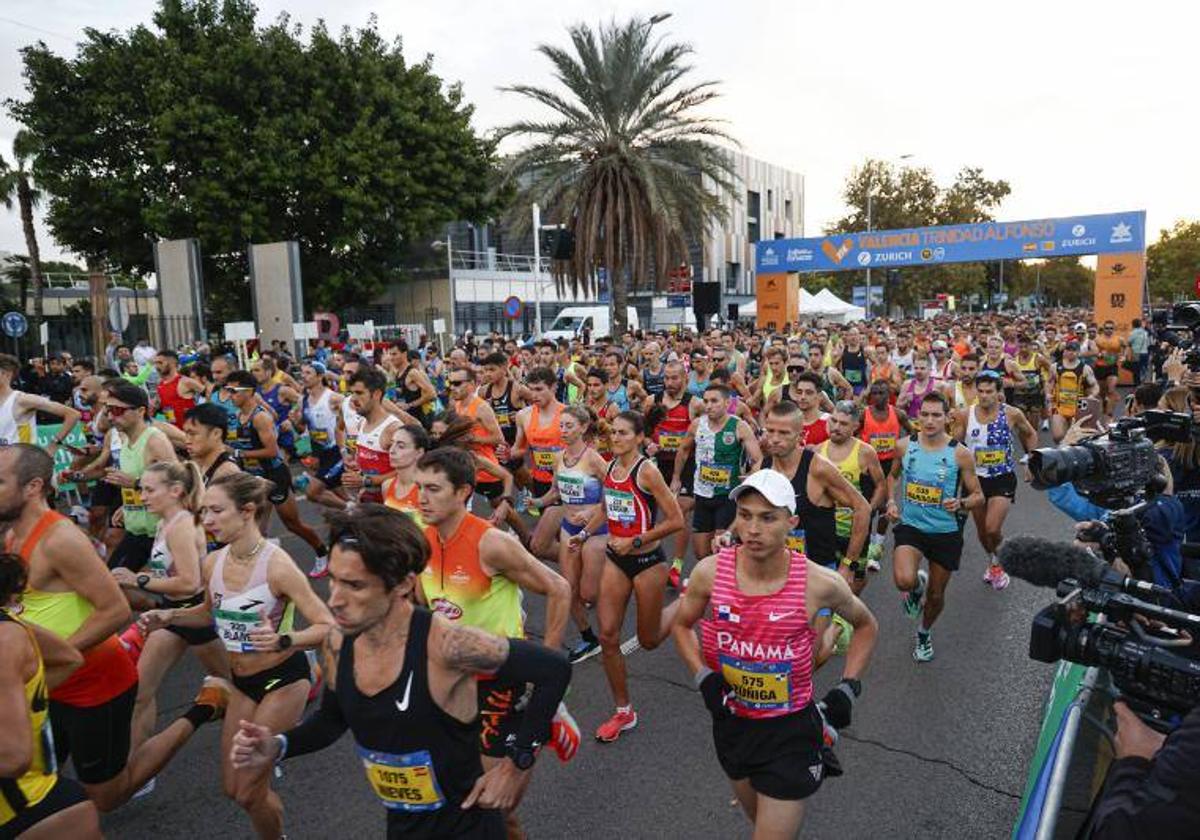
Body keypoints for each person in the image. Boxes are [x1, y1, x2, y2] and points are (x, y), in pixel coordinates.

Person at [230, 505, 573, 840]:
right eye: (333, 581)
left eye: (355, 585)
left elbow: (553, 669)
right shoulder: (337, 642)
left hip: (468, 828)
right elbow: (332, 719)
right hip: (403, 827)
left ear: (402, 585)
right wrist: (278, 745)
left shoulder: (446, 644)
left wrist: (516, 764)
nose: (334, 600)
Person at [1, 444, 228, 812]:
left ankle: (205, 707)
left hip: (95, 683)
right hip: (48, 683)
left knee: (107, 797)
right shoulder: (11, 536)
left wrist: (58, 655)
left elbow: (114, 609)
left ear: (32, 487)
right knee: (30, 772)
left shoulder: (60, 539)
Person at [670, 469, 878, 839]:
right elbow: (682, 625)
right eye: (745, 515)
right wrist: (703, 677)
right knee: (760, 823)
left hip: (790, 730)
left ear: (791, 522)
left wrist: (849, 687)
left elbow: (866, 626)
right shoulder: (709, 573)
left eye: (768, 518)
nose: (753, 529)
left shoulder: (819, 583)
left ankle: (821, 728)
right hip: (732, 723)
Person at [140, 471, 333, 838]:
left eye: (216, 511)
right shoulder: (214, 563)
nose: (207, 521)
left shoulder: (278, 566)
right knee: (235, 789)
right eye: (204, 512)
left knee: (247, 792)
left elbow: (326, 626)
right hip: (242, 682)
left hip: (283, 680)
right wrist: (171, 615)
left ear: (246, 512)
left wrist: (284, 640)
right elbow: (208, 614)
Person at [414, 447, 574, 839]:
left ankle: (547, 715)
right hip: (450, 684)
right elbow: (427, 608)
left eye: (433, 489)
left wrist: (544, 668)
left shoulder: (490, 543)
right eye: (419, 488)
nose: (421, 497)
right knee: (452, 797)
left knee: (494, 809)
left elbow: (558, 587)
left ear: (463, 492)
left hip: (500, 683)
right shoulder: (421, 540)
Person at [572, 412, 685, 743]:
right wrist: (584, 532)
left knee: (648, 641)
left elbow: (676, 520)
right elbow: (608, 508)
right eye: (613, 433)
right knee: (608, 636)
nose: (616, 438)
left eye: (623, 433)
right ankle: (624, 711)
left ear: (639, 437)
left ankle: (685, 603)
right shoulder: (609, 468)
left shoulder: (647, 471)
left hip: (647, 560)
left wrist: (636, 540)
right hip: (615, 560)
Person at [111, 461, 230, 762]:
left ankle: (274, 723)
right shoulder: (164, 523)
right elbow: (167, 570)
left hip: (194, 614)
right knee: (140, 691)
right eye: (142, 490)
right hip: (171, 614)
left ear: (175, 490)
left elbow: (190, 583)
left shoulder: (181, 526)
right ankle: (136, 763)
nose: (142, 496)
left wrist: (138, 579)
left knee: (239, 683)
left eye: (150, 490)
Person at [0, 551, 101, 838]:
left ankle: (205, 707)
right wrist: (23, 702)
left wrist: (21, 700)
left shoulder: (6, 639)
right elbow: (69, 658)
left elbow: (14, 756)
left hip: (34, 812)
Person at [887, 392, 984, 662]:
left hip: (945, 532)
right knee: (903, 579)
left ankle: (924, 632)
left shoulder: (960, 454)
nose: (929, 421)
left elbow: (978, 496)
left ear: (947, 417)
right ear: (918, 416)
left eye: (936, 415)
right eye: (925, 415)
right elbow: (892, 477)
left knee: (937, 595)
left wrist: (962, 502)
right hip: (912, 526)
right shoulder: (905, 446)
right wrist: (891, 501)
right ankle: (915, 585)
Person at [224, 370, 329, 572]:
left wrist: (238, 452)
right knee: (254, 528)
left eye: (233, 390)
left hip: (274, 476)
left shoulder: (259, 418)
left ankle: (321, 551)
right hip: (254, 478)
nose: (229, 395)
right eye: (227, 390)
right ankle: (260, 573)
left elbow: (272, 451)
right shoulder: (239, 415)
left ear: (248, 392)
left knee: (292, 524)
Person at [952, 371, 1039, 590]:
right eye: (980, 391)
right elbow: (954, 445)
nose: (984, 396)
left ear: (999, 392)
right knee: (982, 532)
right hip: (975, 480)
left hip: (1002, 477)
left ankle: (1001, 558)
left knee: (992, 528)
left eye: (989, 391)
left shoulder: (1012, 414)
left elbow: (1029, 434)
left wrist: (1032, 459)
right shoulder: (965, 414)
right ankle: (994, 560)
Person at [543, 405, 609, 663]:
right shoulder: (559, 458)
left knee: (589, 594)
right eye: (561, 426)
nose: (563, 430)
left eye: (569, 426)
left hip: (595, 531)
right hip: (569, 529)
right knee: (568, 590)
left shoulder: (593, 458)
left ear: (583, 428)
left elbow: (614, 491)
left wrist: (593, 510)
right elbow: (555, 493)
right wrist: (535, 502)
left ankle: (613, 598)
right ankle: (589, 638)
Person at [103, 381, 179, 571]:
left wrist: (135, 483)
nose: (111, 416)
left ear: (140, 411)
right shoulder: (126, 439)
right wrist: (127, 505)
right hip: (137, 530)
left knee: (171, 591)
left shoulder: (154, 440)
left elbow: (179, 483)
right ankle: (151, 602)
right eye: (107, 410)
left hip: (160, 532)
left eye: (117, 410)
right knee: (114, 579)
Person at [818, 400, 886, 597]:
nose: (836, 427)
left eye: (843, 424)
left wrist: (869, 510)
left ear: (855, 426)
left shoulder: (865, 452)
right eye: (834, 421)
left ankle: (849, 610)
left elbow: (881, 484)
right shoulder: (817, 451)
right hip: (826, 529)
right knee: (828, 578)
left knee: (856, 577)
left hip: (854, 530)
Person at [643, 361, 702, 588]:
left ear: (685, 378)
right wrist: (649, 444)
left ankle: (676, 565)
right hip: (659, 463)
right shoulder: (652, 401)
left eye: (674, 378)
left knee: (680, 510)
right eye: (666, 378)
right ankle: (649, 558)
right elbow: (644, 431)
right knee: (653, 513)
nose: (669, 383)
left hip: (686, 465)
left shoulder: (694, 404)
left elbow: (704, 431)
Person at [510, 367, 567, 559]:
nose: (534, 394)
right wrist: (505, 453)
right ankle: (576, 571)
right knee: (560, 540)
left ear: (554, 388)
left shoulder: (568, 415)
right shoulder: (523, 416)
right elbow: (520, 449)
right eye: (531, 389)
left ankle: (577, 569)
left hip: (567, 485)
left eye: (539, 389)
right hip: (541, 482)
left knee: (541, 544)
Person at [293, 361, 349, 510]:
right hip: (319, 453)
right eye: (302, 373)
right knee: (339, 493)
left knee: (312, 492)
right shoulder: (302, 400)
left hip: (336, 452)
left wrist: (349, 450)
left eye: (308, 373)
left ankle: (351, 509)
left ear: (320, 376)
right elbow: (303, 429)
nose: (303, 377)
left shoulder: (334, 398)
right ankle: (358, 512)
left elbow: (351, 422)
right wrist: (305, 454)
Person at [0, 353, 81, 449]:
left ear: (6, 374)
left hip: (22, 461)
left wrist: (53, 446)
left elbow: (73, 415)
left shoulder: (22, 400)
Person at [1049, 339, 1100, 443]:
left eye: (1074, 350)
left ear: (1078, 352)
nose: (1071, 352)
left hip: (1078, 408)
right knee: (1057, 436)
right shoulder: (1055, 367)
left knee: (1077, 439)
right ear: (1065, 351)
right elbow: (1049, 382)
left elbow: (1095, 386)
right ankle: (1062, 453)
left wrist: (1091, 396)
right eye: (1068, 349)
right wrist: (1047, 394)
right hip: (1060, 406)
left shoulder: (1085, 369)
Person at [381, 423, 430, 523]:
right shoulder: (387, 485)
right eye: (392, 444)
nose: (392, 450)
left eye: (401, 446)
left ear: (419, 453)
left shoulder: (427, 491)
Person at [154, 350, 202, 429]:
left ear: (172, 363)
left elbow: (210, 393)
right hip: (173, 433)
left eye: (160, 363)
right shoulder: (160, 384)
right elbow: (159, 405)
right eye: (155, 363)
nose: (157, 366)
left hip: (189, 433)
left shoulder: (185, 381)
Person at [1094, 319, 1127, 421]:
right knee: (1102, 393)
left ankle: (1110, 414)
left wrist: (1123, 356)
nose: (1109, 330)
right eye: (1107, 328)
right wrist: (1099, 354)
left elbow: (1125, 347)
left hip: (1112, 367)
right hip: (1100, 367)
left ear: (1114, 329)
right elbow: (1093, 351)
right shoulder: (1098, 339)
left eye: (1111, 328)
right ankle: (1105, 405)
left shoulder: (1119, 339)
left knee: (1111, 390)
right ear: (1103, 329)